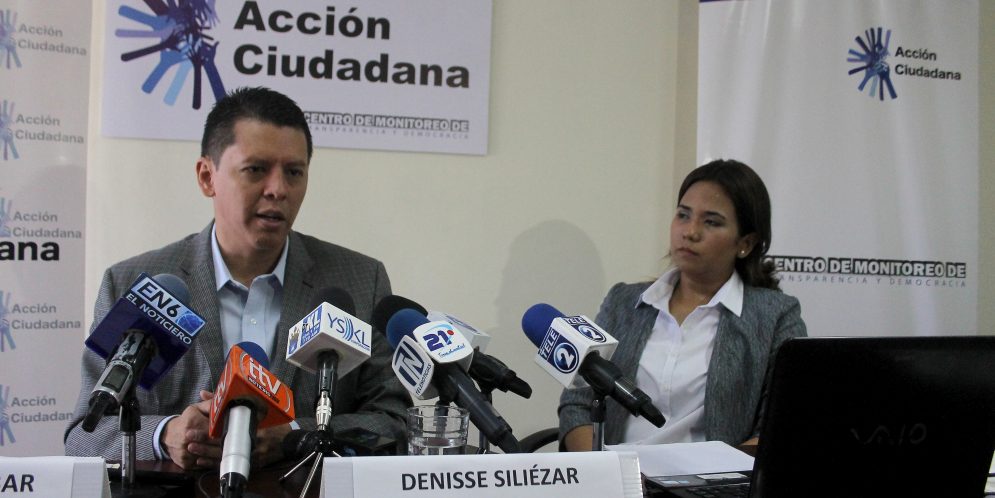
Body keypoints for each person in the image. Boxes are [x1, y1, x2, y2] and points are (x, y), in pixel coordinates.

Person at [64, 87, 411, 469]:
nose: (278, 189)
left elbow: (393, 424)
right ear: (207, 177)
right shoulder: (133, 283)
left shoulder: (359, 281)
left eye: (294, 172)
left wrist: (295, 436)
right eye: (256, 169)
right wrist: (166, 435)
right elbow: (85, 436)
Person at [559, 159, 806, 450]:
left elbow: (779, 426)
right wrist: (602, 469)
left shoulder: (775, 315)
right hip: (617, 473)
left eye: (711, 221)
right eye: (683, 215)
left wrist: (716, 473)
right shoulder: (623, 301)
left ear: (746, 243)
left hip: (715, 476)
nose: (690, 232)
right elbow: (577, 403)